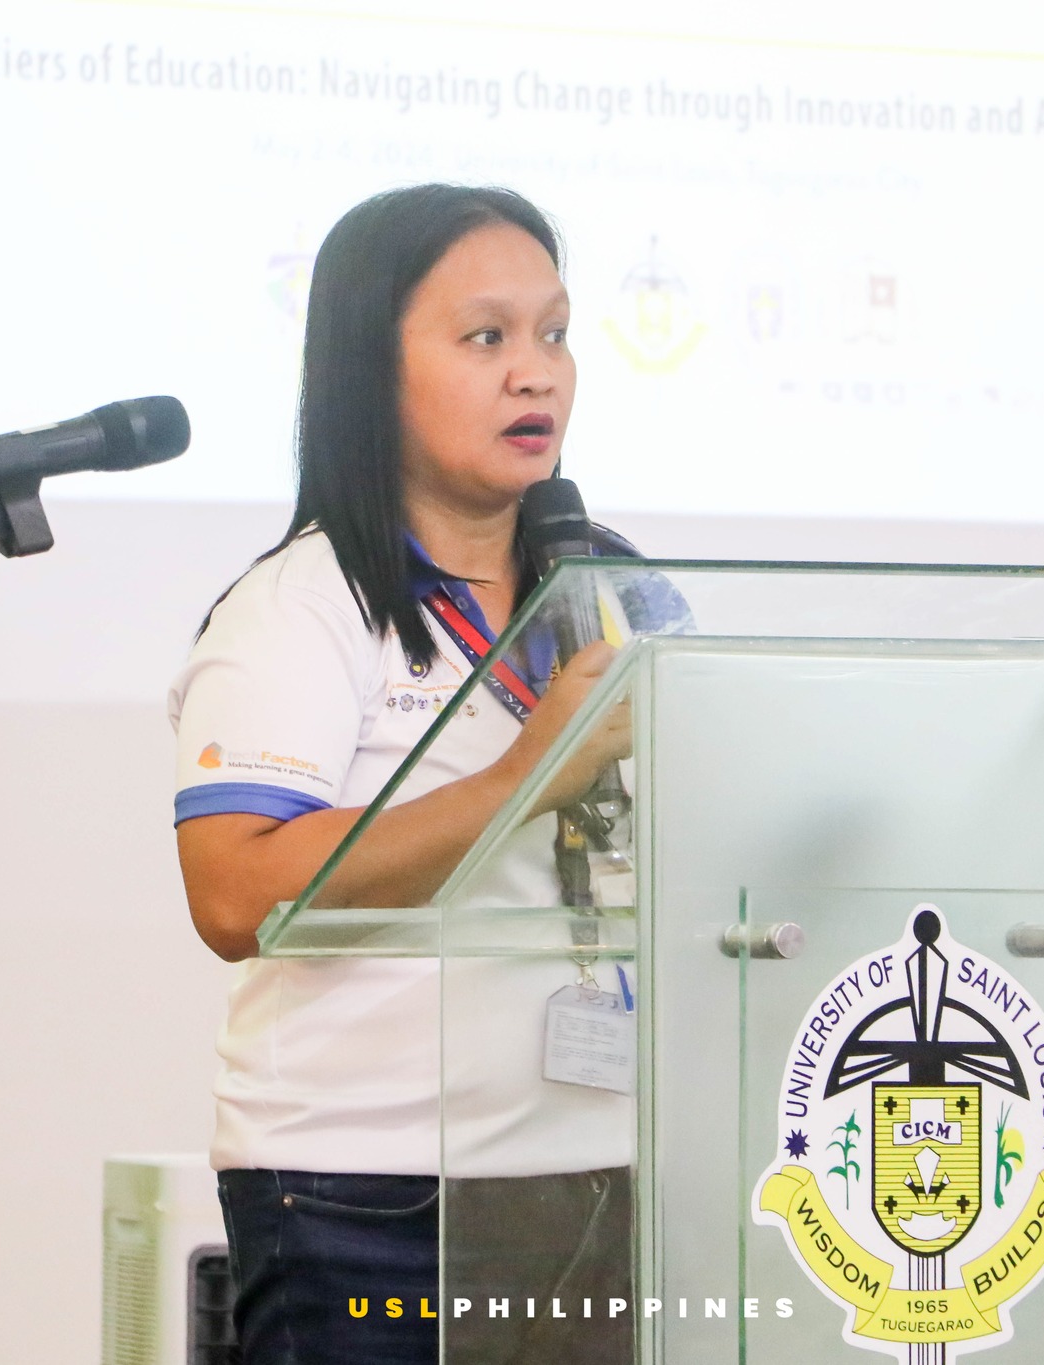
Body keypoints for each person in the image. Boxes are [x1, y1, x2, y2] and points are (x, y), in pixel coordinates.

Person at [169, 185, 635, 1365]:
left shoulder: (612, 593)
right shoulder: (302, 605)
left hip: (596, 1180)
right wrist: (526, 774)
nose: (534, 373)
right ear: (370, 373)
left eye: (553, 333)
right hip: (363, 1203)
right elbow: (233, 894)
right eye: (485, 337)